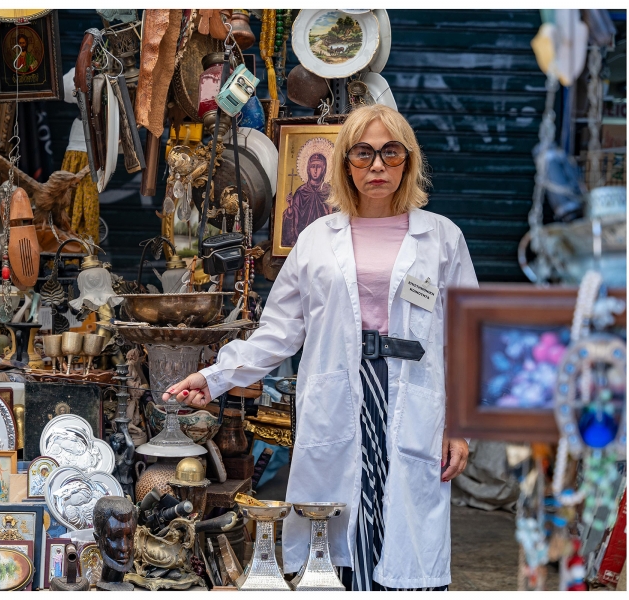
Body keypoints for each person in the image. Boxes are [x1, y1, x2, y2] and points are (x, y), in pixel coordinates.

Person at [167, 104, 477, 591]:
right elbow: (279, 331)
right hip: (340, 393)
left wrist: (460, 426)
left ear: (407, 160)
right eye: (363, 153)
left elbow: (465, 336)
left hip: (409, 395)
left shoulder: (442, 238)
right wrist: (214, 376)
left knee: (405, 529)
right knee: (333, 538)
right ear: (345, 163)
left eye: (390, 152)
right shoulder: (316, 239)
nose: (377, 165)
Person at [281, 148, 334, 247]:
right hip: (303, 242)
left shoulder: (329, 192)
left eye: (318, 167)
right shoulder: (301, 192)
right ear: (308, 169)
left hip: (325, 243)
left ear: (324, 169)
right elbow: (291, 222)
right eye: (312, 166)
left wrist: (331, 212)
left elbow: (338, 218)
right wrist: (290, 208)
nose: (315, 170)